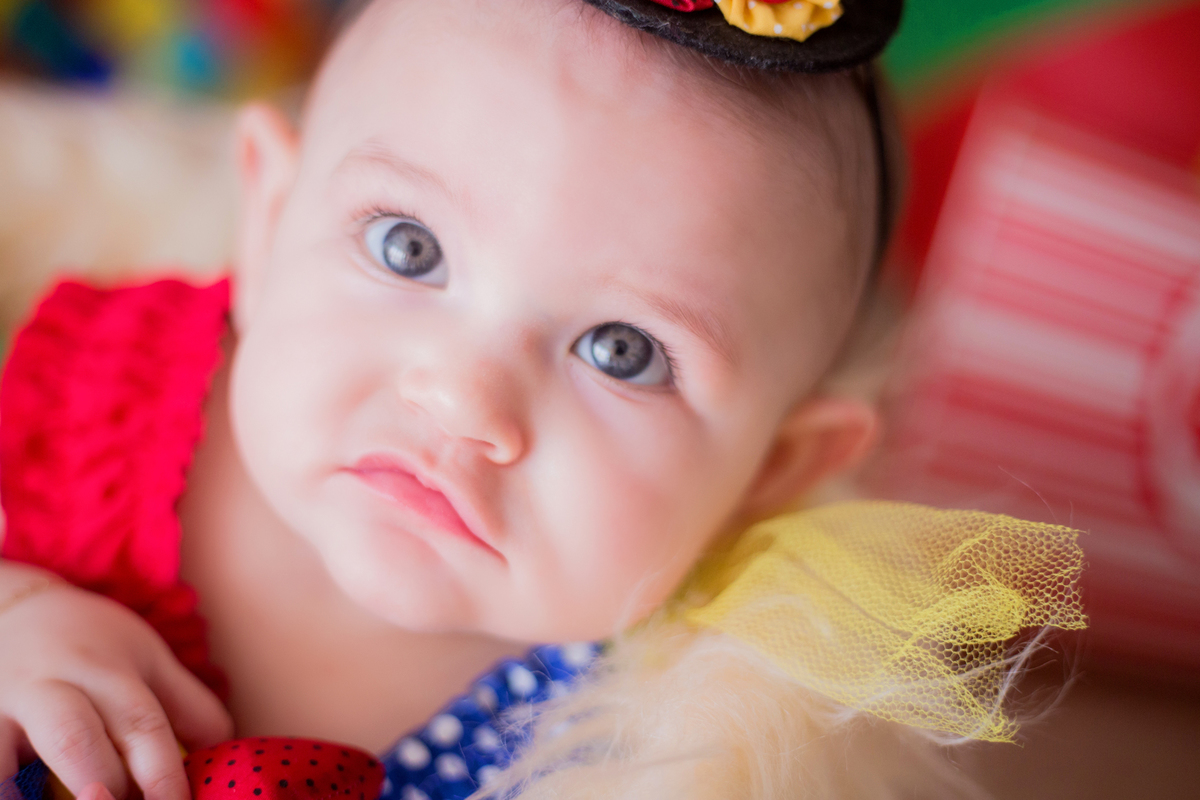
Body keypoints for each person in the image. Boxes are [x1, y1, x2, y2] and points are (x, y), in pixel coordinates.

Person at [0, 1, 1084, 799]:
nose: (465, 398)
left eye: (621, 350)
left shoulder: (659, 748)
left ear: (772, 470)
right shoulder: (94, 389)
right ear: (270, 212)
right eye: (407, 246)